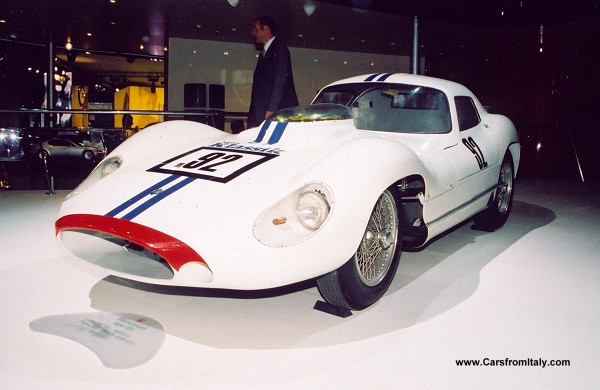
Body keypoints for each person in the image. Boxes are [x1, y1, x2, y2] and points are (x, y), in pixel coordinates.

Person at [247, 16, 299, 128]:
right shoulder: (263, 54)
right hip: (262, 112)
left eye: (256, 29)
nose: (252, 32)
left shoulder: (280, 48)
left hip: (274, 111)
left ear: (266, 28)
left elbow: (280, 80)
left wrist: (272, 109)